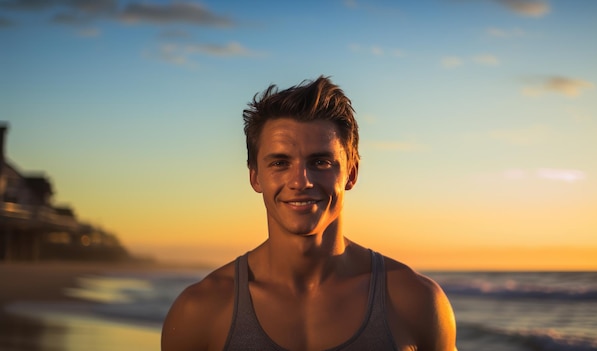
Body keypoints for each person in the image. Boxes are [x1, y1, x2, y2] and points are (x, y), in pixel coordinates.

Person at [161, 76, 457, 351]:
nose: (301, 181)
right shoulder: (201, 310)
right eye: (279, 163)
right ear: (255, 177)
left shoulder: (416, 302)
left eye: (320, 162)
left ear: (351, 173)